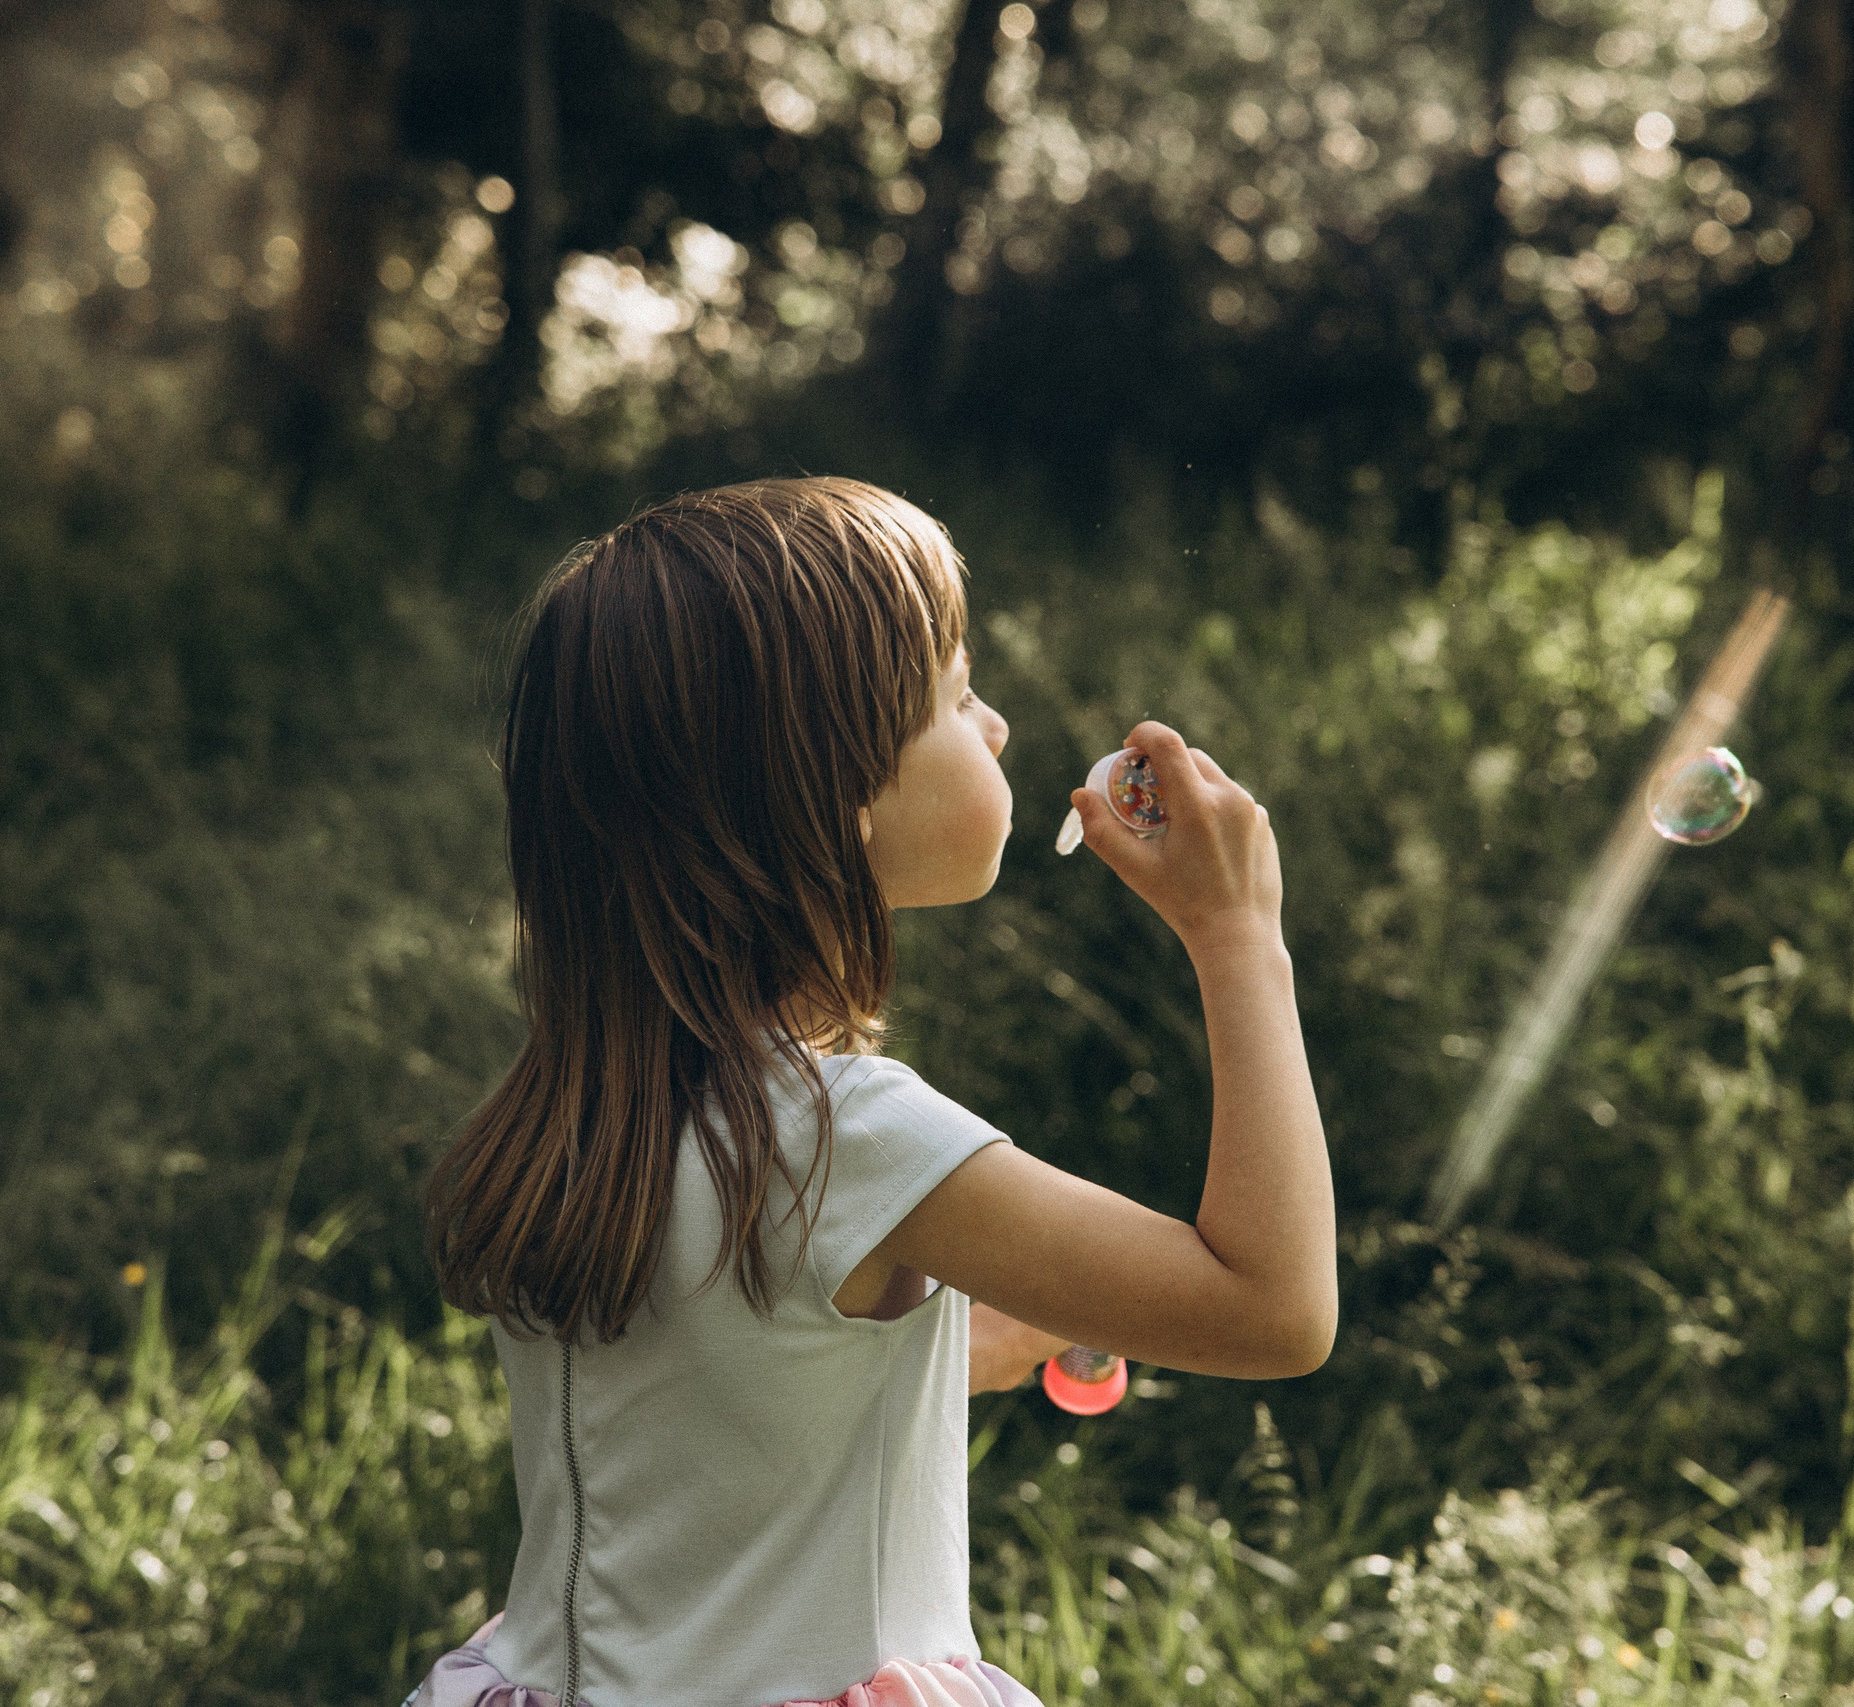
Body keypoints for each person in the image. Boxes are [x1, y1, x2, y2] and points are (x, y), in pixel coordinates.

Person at [406, 477, 1335, 1707]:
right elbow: (1272, 1310)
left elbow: (723, 1392)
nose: (996, 725)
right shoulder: (849, 1135)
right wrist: (1238, 937)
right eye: (956, 696)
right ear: (826, 792)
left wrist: (968, 1346)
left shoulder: (574, 1112)